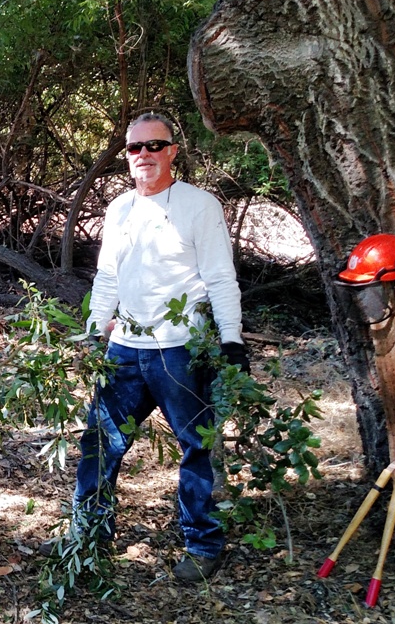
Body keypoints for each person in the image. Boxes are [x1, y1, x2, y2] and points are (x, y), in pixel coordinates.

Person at [42, 112, 248, 583]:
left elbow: (219, 277)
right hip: (125, 350)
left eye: (154, 146)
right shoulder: (119, 209)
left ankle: (202, 543)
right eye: (135, 148)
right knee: (100, 442)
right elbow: (109, 276)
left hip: (180, 351)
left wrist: (232, 339)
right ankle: (91, 532)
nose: (144, 156)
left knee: (197, 447)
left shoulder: (200, 206)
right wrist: (95, 333)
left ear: (173, 150)